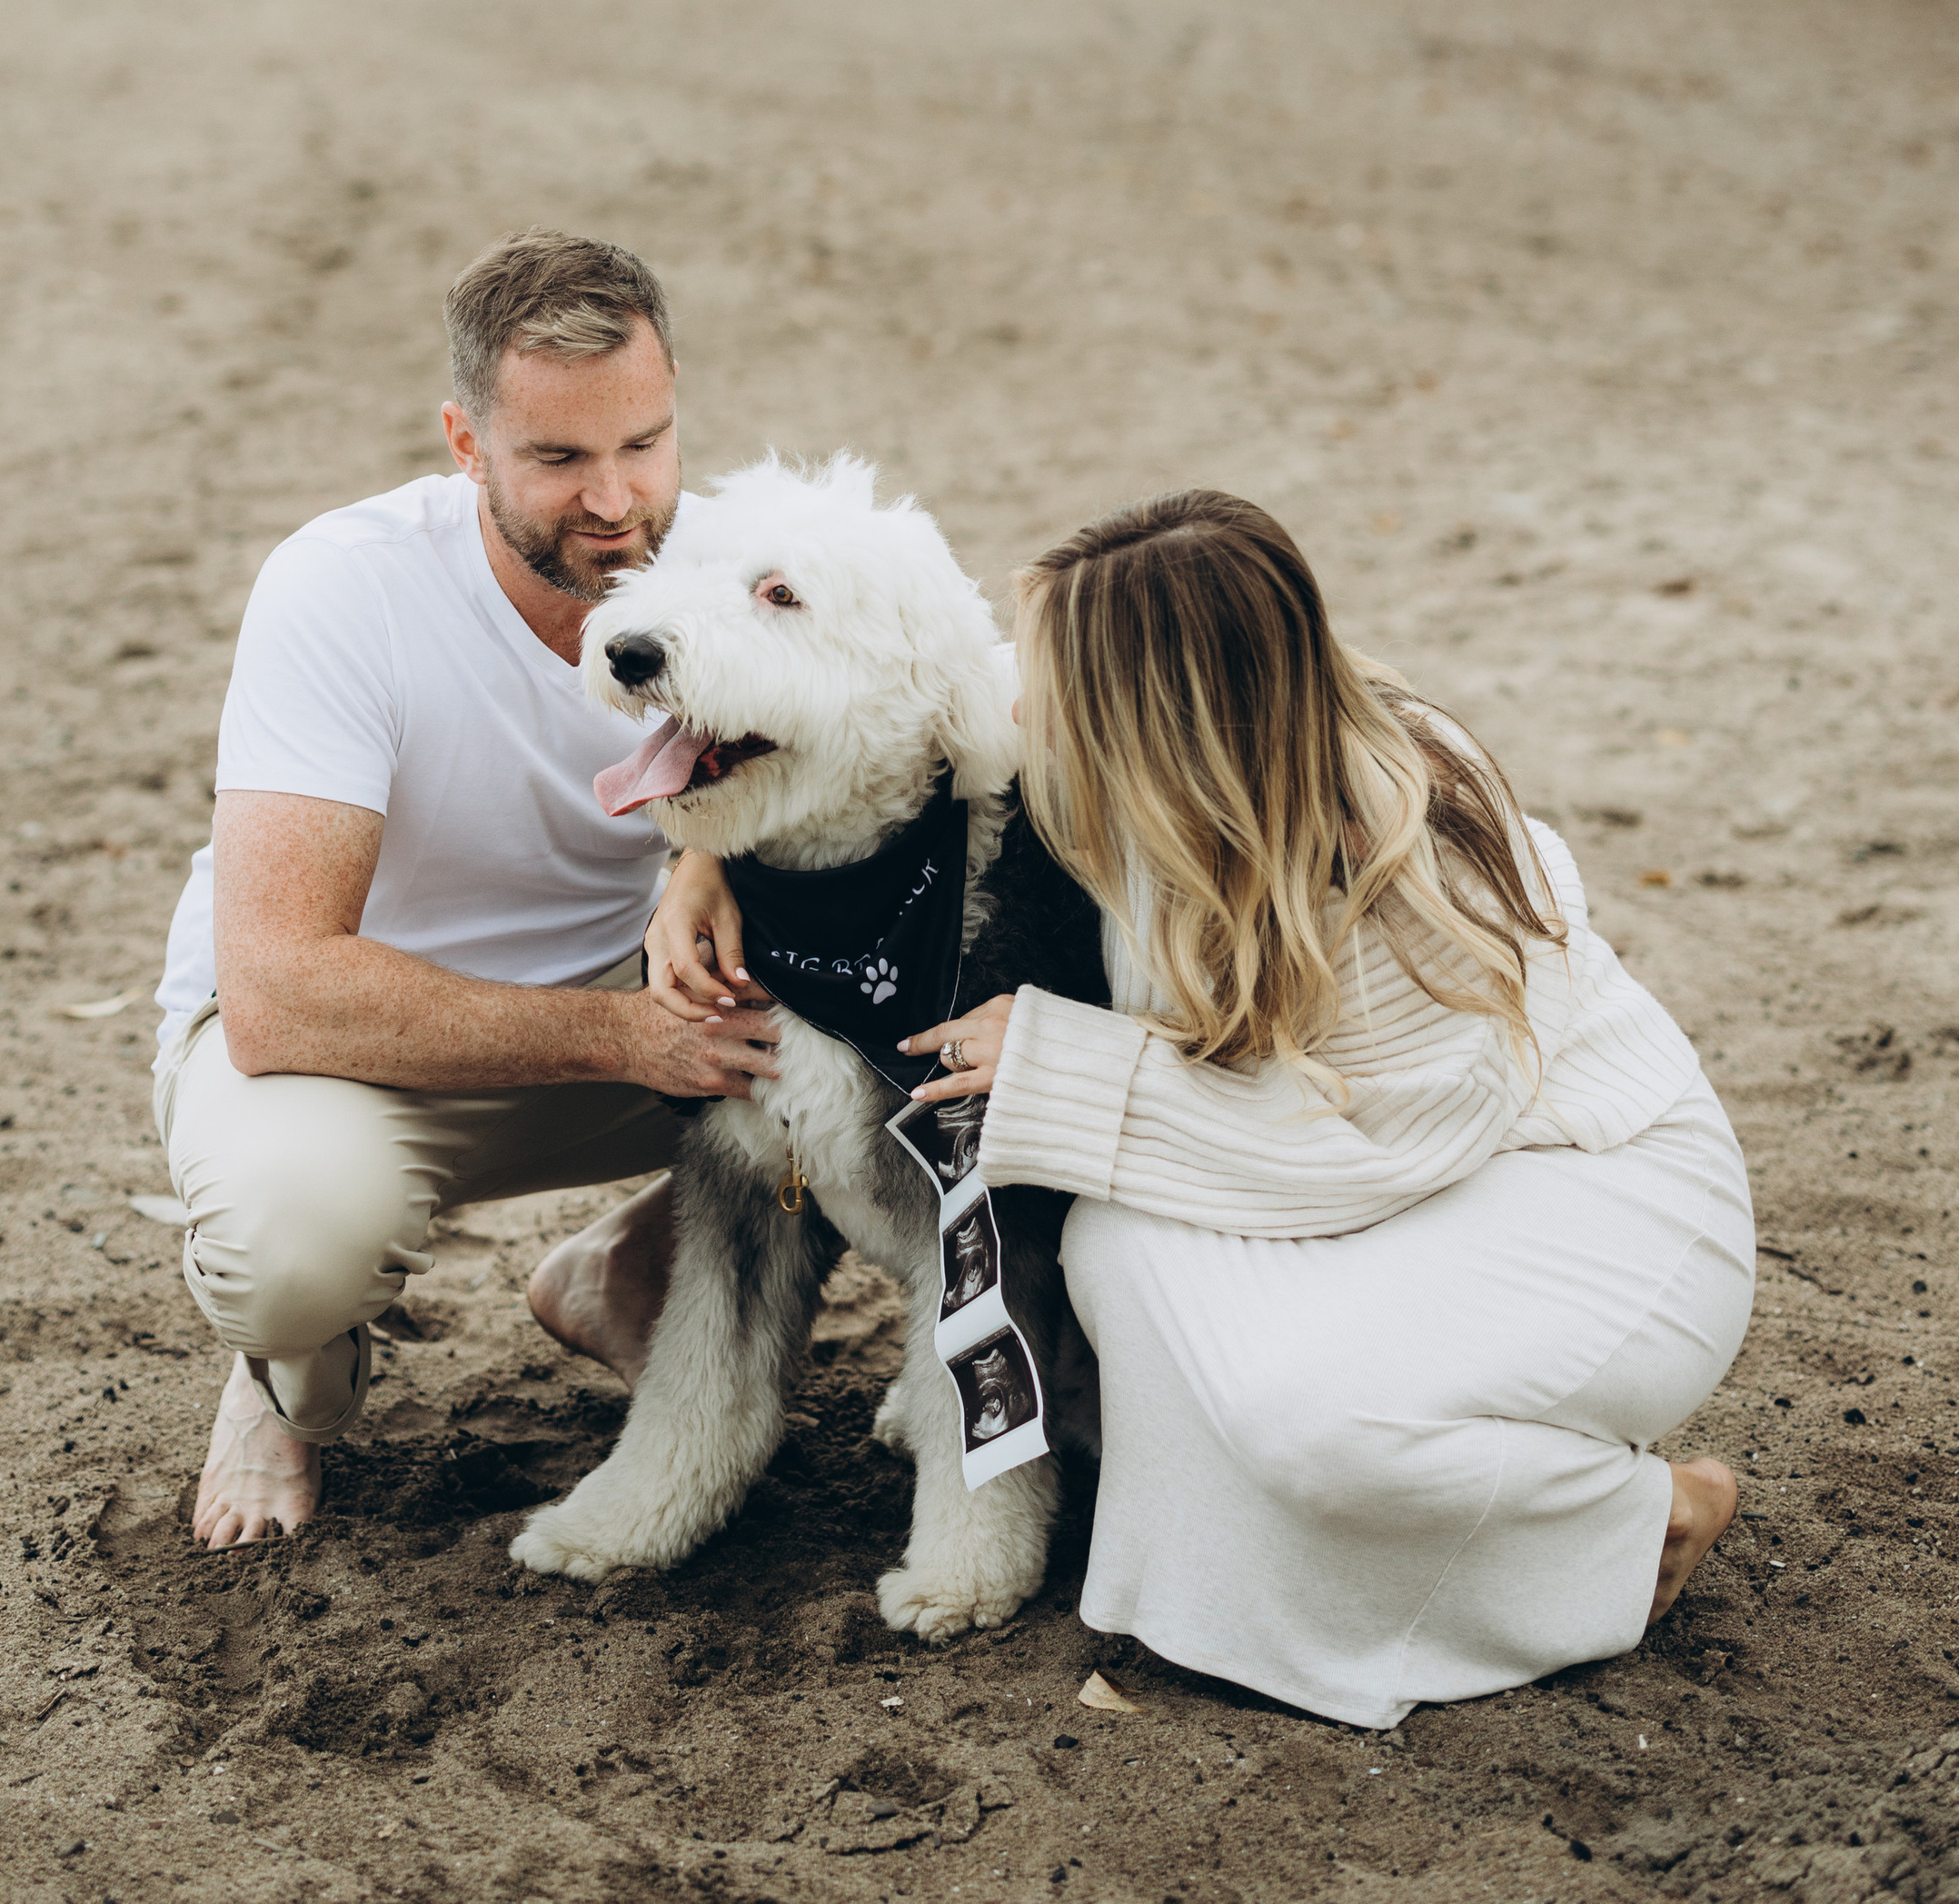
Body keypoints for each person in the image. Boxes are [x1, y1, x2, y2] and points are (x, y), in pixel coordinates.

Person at [651, 488, 1753, 1731]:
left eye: (1049, 680)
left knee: (1311, 1430)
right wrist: (705, 853)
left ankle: (1630, 1526)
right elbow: (880, 706)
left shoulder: (1414, 836)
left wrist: (1058, 1063)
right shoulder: (1105, 725)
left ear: (1152, 716)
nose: (1015, 697)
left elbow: (1389, 1144)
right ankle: (1252, 1576)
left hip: (1566, 1191)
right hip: (1288, 1156)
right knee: (1121, 1261)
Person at [153, 230, 775, 1550]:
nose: (617, 502)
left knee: (897, 1008)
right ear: (465, 442)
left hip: (630, 1016)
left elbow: (907, 757)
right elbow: (277, 994)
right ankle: (288, 1385)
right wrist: (626, 1037)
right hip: (348, 1050)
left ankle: (632, 1276)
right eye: (559, 460)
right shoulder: (346, 585)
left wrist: (707, 852)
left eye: (646, 444)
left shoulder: (741, 563)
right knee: (293, 1248)